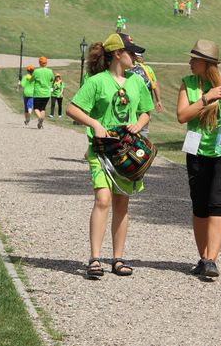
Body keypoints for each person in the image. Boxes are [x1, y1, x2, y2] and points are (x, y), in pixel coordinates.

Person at [66, 32, 153, 278]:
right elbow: (72, 108)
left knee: (122, 203)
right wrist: (94, 123)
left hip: (128, 152)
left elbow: (146, 111)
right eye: (132, 52)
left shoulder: (136, 81)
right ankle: (94, 258)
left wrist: (140, 123)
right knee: (103, 200)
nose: (136, 56)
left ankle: (118, 258)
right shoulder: (97, 82)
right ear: (117, 54)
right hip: (103, 150)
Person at [176, 39, 221, 279]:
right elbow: (182, 116)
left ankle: (211, 259)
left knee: (217, 202)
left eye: (194, 60)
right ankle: (203, 257)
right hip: (198, 150)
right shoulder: (188, 84)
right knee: (199, 204)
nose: (189, 63)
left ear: (207, 63)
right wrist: (206, 98)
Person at [128, 52, 163, 137]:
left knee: (131, 124)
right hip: (145, 103)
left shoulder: (127, 67)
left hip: (130, 102)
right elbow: (154, 85)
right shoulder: (147, 68)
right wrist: (158, 100)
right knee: (144, 128)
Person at [30, 56, 54, 129]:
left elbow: (31, 80)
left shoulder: (36, 71)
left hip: (38, 93)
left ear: (39, 63)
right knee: (43, 108)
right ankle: (41, 123)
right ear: (46, 63)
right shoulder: (50, 71)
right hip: (47, 93)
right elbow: (52, 79)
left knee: (36, 108)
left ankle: (40, 118)